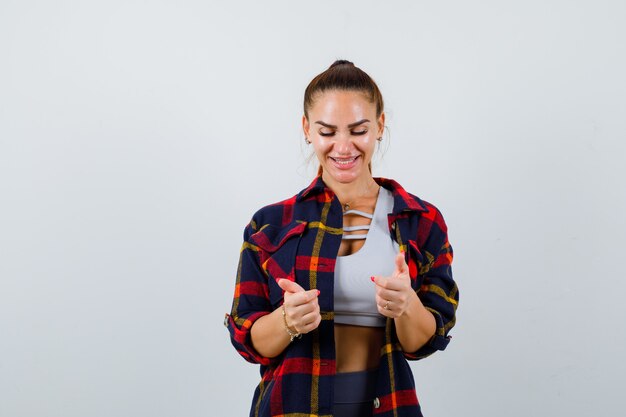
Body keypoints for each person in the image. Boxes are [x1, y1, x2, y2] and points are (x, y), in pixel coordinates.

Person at [225, 60, 458, 417]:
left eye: (358, 130)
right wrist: (287, 321)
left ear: (379, 126)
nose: (344, 147)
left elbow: (422, 344)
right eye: (328, 131)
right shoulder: (269, 225)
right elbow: (250, 342)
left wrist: (407, 304)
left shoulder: (420, 221)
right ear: (307, 129)